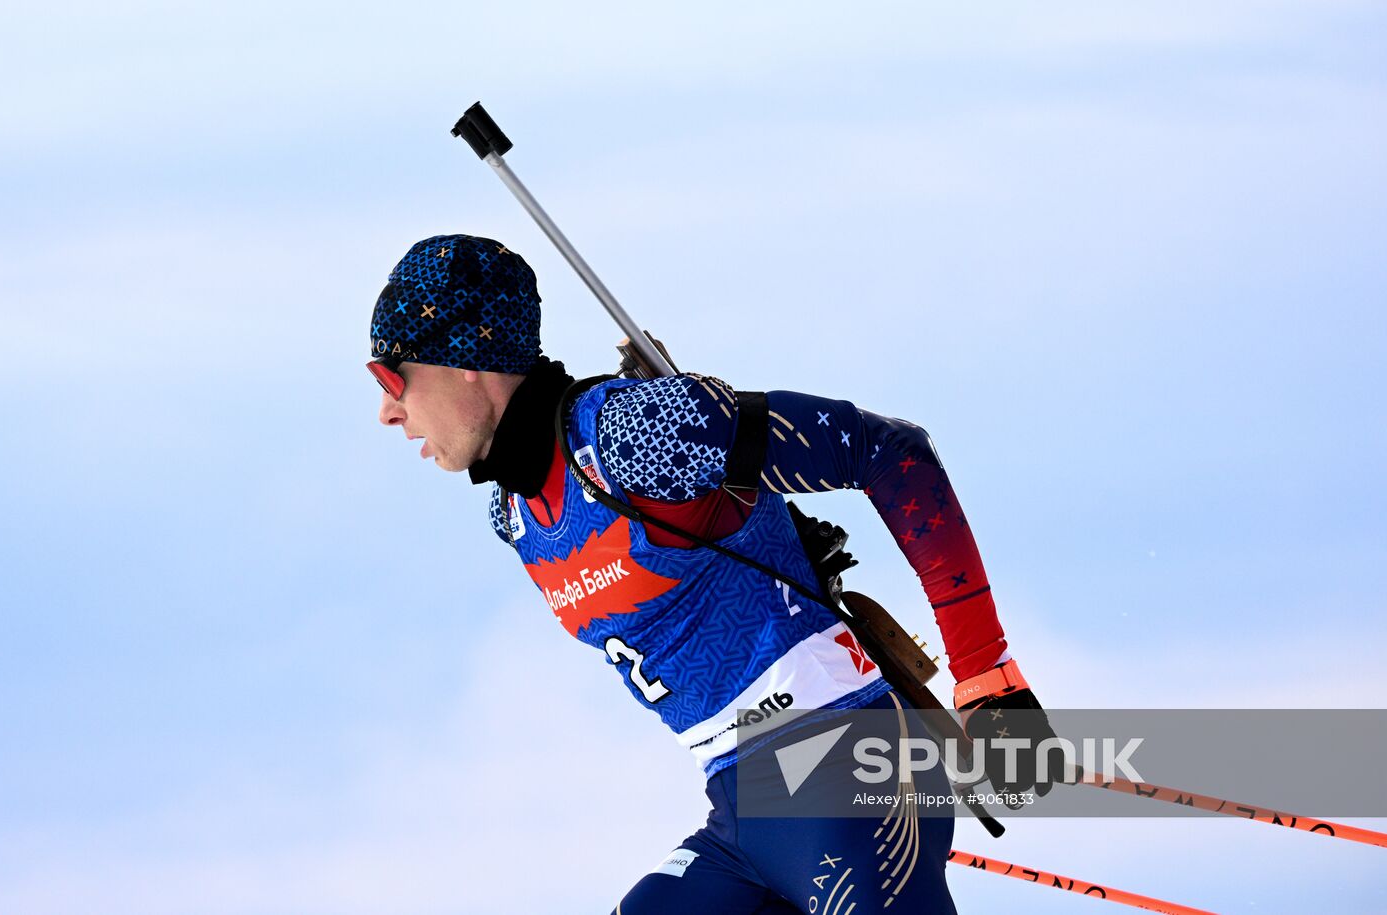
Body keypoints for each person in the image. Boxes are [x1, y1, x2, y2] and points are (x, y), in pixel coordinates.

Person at [368, 234, 1053, 913]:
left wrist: (985, 670)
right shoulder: (513, 515)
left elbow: (889, 451)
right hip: (741, 812)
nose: (388, 411)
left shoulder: (627, 434)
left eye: (392, 379)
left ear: (464, 359)